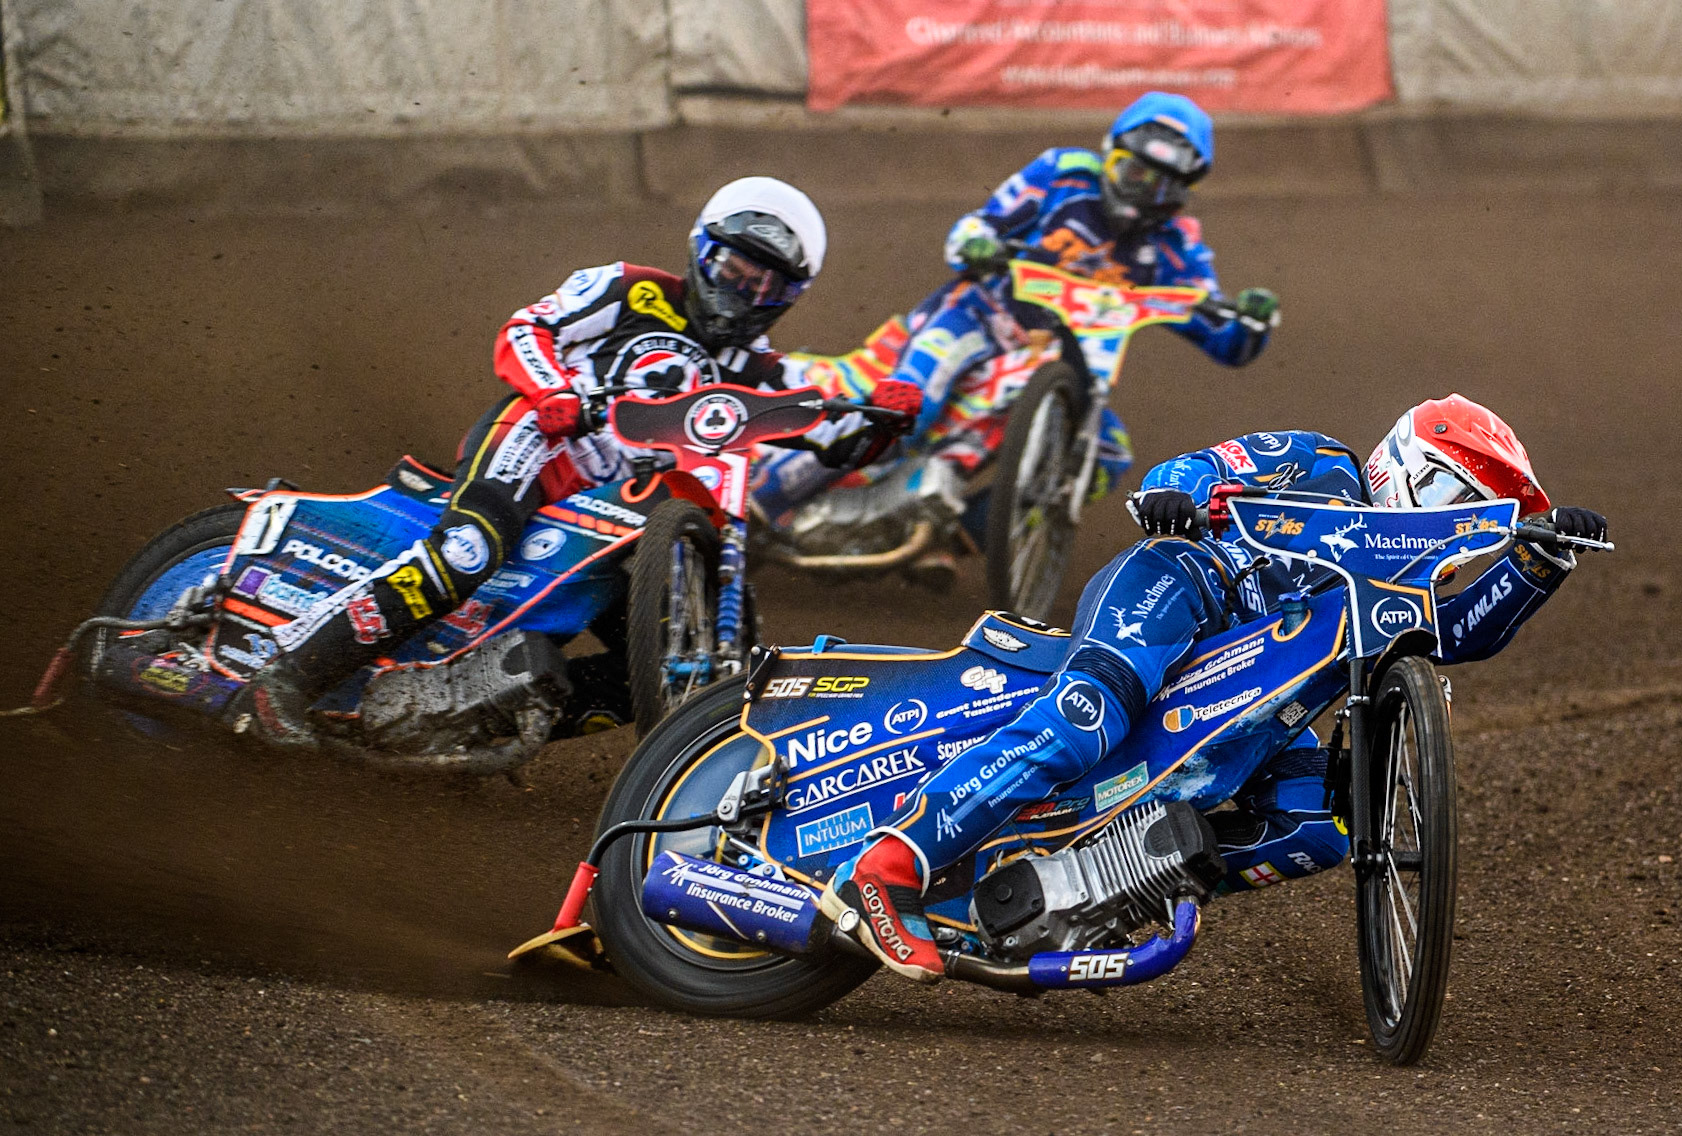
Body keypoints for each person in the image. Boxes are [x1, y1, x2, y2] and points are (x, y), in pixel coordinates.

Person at [823, 394, 1608, 982]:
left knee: (1320, 824)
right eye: (1456, 502)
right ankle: (888, 868)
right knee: (1086, 715)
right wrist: (1178, 496)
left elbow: (1462, 633)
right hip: (1186, 591)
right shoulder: (1320, 461)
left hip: (1262, 711)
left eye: (1478, 521)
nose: (1458, 531)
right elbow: (1200, 468)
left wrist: (1538, 562)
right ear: (1407, 468)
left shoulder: (1402, 588)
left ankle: (1087, 890)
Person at [235, 176, 923, 746]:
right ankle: (283, 680)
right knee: (469, 550)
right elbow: (526, 328)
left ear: (789, 296)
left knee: (639, 673)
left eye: (764, 286)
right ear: (699, 252)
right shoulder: (630, 291)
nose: (741, 292)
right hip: (538, 443)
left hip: (609, 513)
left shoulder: (756, 369)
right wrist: (555, 392)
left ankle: (478, 723)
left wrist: (881, 422)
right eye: (730, 270)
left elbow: (823, 439)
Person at [749, 91, 1280, 571]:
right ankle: (761, 502)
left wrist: (1250, 323)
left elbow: (1221, 333)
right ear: (1110, 152)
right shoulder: (1064, 173)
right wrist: (978, 245)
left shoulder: (1176, 243)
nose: (1144, 193)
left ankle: (956, 534)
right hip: (977, 318)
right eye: (1135, 172)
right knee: (911, 407)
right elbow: (976, 226)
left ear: (1183, 192)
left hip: (1061, 363)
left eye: (1164, 186)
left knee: (1108, 453)